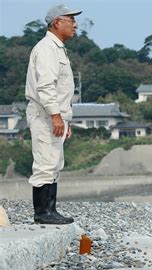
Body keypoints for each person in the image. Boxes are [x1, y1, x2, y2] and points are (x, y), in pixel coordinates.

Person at [25, 4, 82, 224]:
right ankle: (42, 213)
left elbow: (61, 90)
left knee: (54, 163)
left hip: (54, 115)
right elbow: (46, 86)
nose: (75, 25)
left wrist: (64, 119)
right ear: (57, 22)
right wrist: (56, 116)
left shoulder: (57, 48)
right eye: (71, 20)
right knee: (45, 163)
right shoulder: (47, 48)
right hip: (45, 115)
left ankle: (51, 210)